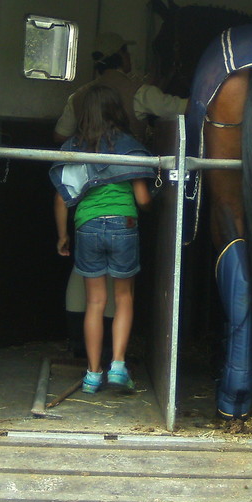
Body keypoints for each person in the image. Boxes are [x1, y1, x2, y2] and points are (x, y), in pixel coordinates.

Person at [51, 84, 154, 393]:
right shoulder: (130, 147)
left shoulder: (75, 147)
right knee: (124, 298)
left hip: (87, 227)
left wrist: (62, 235)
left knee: (95, 302)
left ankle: (93, 374)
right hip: (124, 225)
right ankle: (119, 366)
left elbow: (61, 198)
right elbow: (143, 199)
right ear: (117, 112)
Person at [54, 31, 187, 143]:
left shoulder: (76, 97)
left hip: (86, 171)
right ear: (122, 56)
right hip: (130, 171)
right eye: (127, 52)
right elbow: (184, 108)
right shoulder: (141, 93)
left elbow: (60, 136)